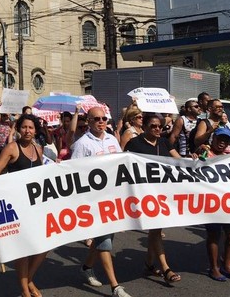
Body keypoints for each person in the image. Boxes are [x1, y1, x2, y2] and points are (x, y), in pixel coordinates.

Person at [0, 114, 47, 297]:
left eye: (31, 128)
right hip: (17, 205)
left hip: (35, 205)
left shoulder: (39, 149)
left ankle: (29, 278)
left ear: (35, 130)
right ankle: (25, 289)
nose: (27, 131)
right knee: (23, 250)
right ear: (18, 128)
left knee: (44, 246)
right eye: (24, 127)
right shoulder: (12, 148)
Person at [72, 107, 133, 297]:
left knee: (103, 239)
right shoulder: (82, 144)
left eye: (103, 118)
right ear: (88, 121)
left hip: (112, 198)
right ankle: (115, 286)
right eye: (96, 119)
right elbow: (74, 172)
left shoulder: (112, 139)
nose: (101, 121)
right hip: (94, 201)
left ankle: (86, 267)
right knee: (105, 241)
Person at [124, 113, 183, 284]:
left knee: (155, 230)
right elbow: (122, 162)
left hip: (163, 193)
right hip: (144, 193)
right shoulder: (135, 143)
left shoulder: (164, 142)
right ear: (145, 127)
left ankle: (149, 264)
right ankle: (166, 269)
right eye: (153, 126)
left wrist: (194, 161)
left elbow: (178, 160)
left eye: (160, 126)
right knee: (156, 229)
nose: (158, 129)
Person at [202, 127, 230, 281]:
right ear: (214, 139)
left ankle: (227, 265)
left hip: (228, 202)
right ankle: (214, 268)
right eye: (220, 139)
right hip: (211, 202)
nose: (222, 143)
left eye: (226, 140)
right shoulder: (205, 153)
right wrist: (198, 155)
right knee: (214, 235)